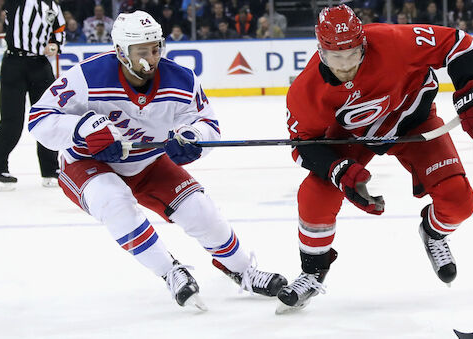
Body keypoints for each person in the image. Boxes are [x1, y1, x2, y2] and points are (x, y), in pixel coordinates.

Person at [28, 10, 287, 310]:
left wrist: (193, 138)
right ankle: (170, 270)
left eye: (155, 48)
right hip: (86, 162)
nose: (151, 58)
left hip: (148, 161)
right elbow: (39, 119)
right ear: (121, 52)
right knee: (114, 201)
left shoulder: (181, 79)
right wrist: (82, 129)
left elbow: (207, 124)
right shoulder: (86, 76)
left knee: (201, 210)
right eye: (142, 51)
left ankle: (243, 269)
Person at [276, 4, 473, 313]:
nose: (345, 66)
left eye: (353, 54)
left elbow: (458, 43)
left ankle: (433, 233)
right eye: (336, 57)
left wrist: (471, 92)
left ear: (363, 44)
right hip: (355, 137)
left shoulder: (392, 40)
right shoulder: (306, 91)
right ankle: (313, 271)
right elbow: (303, 146)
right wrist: (340, 171)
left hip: (415, 124)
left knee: (459, 202)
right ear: (321, 52)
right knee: (315, 193)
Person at [0, 0, 65, 191]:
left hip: (40, 65)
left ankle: (50, 169)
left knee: (47, 117)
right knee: (12, 120)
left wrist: (55, 45)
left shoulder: (53, 6)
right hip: (14, 63)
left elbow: (59, 32)